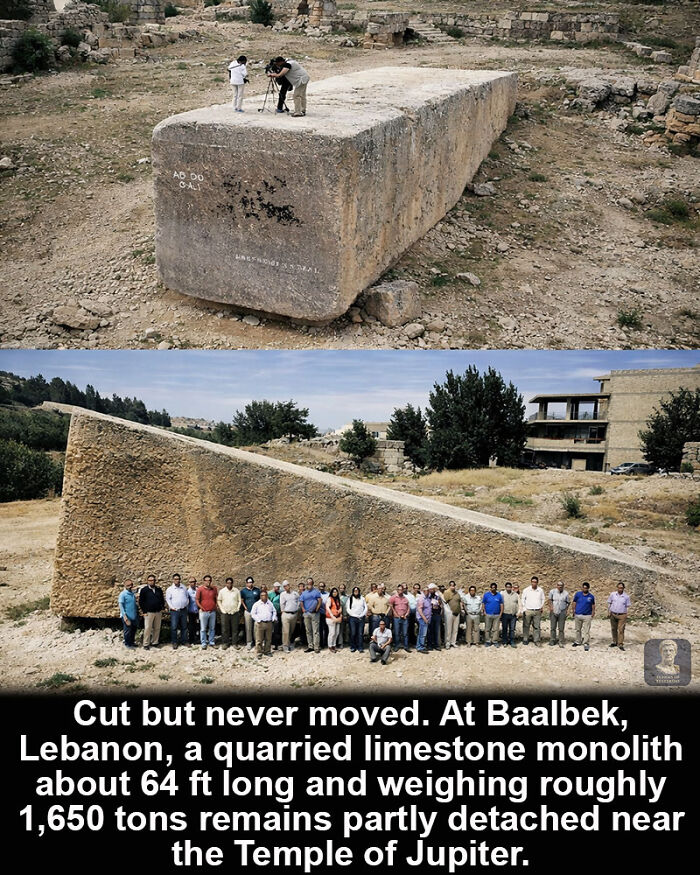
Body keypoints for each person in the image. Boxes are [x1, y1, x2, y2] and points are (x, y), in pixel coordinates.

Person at [139, 574, 164, 650]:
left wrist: (162, 607)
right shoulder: (144, 590)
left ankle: (155, 642)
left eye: (153, 580)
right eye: (150, 580)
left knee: (157, 628)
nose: (151, 582)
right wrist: (144, 611)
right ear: (147, 581)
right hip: (148, 612)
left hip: (158, 612)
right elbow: (141, 601)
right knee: (147, 628)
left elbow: (162, 599)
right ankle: (146, 643)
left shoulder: (159, 589)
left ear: (155, 581)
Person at [165, 573, 189, 649]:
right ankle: (174, 642)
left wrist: (186, 605)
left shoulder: (184, 588)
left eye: (178, 579)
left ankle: (184, 641)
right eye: (175, 579)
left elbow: (187, 597)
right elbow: (168, 600)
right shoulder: (170, 589)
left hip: (183, 610)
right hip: (174, 611)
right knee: (174, 627)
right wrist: (172, 607)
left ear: (180, 580)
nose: (177, 580)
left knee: (184, 627)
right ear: (173, 580)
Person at [251, 589, 276, 658]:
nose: (263, 597)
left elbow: (274, 611)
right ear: (260, 596)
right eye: (262, 595)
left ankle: (267, 651)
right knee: (259, 639)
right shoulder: (257, 604)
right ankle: (259, 652)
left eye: (265, 595)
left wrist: (273, 618)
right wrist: (258, 620)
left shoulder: (270, 603)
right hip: (260, 623)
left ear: (267, 596)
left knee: (268, 639)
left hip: (269, 623)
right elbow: (253, 613)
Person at [300, 577, 323, 653]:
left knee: (316, 631)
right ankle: (310, 646)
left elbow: (319, 601)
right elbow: (301, 601)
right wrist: (303, 609)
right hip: (307, 614)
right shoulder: (304, 593)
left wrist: (316, 609)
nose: (309, 584)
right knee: (308, 631)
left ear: (312, 584)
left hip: (315, 614)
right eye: (308, 583)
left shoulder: (316, 592)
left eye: (310, 583)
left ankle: (316, 647)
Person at [521, 575, 545, 646]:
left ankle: (536, 640)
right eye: (532, 582)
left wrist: (541, 606)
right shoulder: (526, 590)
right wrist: (524, 608)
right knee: (526, 625)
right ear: (531, 582)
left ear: (537, 583)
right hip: (528, 610)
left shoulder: (540, 590)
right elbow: (523, 599)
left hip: (537, 610)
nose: (534, 583)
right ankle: (525, 639)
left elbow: (543, 599)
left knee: (537, 626)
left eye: (535, 582)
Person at [218, 577, 241, 650]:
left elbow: (239, 600)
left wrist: (237, 608)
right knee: (225, 629)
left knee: (235, 629)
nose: (229, 584)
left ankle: (234, 643)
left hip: (234, 612)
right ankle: (225, 643)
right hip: (225, 612)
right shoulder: (222, 591)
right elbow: (219, 600)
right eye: (228, 583)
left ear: (232, 583)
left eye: (230, 583)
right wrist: (222, 610)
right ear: (226, 583)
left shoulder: (236, 591)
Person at [196, 575, 218, 650]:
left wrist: (215, 606)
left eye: (209, 580)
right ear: (204, 581)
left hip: (212, 612)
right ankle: (204, 643)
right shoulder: (200, 589)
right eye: (206, 580)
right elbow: (197, 600)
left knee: (212, 628)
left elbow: (216, 598)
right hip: (203, 612)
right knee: (203, 629)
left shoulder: (214, 589)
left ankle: (211, 642)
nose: (208, 582)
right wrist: (201, 607)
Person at [572, 581, 595, 651]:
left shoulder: (591, 596)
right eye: (583, 588)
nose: (584, 589)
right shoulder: (578, 594)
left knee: (586, 630)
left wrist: (593, 613)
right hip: (578, 614)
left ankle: (586, 643)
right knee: (577, 629)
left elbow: (593, 605)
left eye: (586, 588)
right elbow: (574, 602)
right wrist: (573, 610)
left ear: (588, 588)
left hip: (587, 615)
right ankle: (578, 641)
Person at [607, 582, 631, 651]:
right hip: (613, 614)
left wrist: (626, 615)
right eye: (619, 587)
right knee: (613, 628)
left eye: (621, 588)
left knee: (621, 629)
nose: (620, 589)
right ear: (617, 587)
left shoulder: (626, 597)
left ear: (623, 588)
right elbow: (609, 603)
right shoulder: (613, 594)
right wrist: (608, 612)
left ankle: (620, 643)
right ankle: (614, 641)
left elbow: (627, 606)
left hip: (622, 615)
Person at [548, 580, 571, 649]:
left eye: (561, 586)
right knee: (553, 627)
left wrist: (566, 610)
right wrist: (551, 608)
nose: (560, 587)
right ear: (556, 586)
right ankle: (552, 640)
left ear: (563, 586)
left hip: (562, 612)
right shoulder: (552, 592)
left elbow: (568, 602)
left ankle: (561, 641)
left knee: (561, 628)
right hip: (553, 611)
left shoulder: (566, 593)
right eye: (559, 585)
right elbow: (549, 600)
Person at [389, 583, 411, 652]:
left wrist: (406, 614)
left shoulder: (405, 598)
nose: (400, 591)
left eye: (401, 590)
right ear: (397, 590)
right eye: (398, 590)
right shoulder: (394, 597)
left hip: (404, 618)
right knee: (397, 632)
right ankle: (397, 646)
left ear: (403, 590)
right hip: (396, 618)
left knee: (405, 633)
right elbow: (390, 605)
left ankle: (406, 646)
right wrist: (395, 613)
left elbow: (408, 607)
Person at [240, 577, 261, 651]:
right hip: (248, 611)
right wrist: (245, 607)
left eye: (251, 582)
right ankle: (249, 642)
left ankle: (257, 642)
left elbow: (260, 600)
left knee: (256, 628)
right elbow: (242, 600)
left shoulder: (257, 590)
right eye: (249, 582)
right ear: (246, 583)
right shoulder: (243, 591)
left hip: (256, 612)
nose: (250, 583)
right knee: (248, 628)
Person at [481, 582, 504, 647]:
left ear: (496, 588)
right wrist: (484, 611)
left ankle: (495, 641)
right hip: (488, 614)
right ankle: (487, 641)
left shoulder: (499, 595)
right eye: (492, 587)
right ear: (490, 588)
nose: (493, 589)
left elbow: (501, 604)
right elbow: (483, 603)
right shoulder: (486, 595)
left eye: (495, 588)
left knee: (496, 629)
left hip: (497, 615)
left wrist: (501, 613)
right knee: (487, 629)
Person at [118, 579, 138, 648]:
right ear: (125, 586)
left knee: (133, 630)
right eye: (128, 585)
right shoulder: (123, 594)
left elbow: (141, 587)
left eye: (131, 584)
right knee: (127, 631)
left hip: (134, 615)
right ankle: (127, 644)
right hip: (127, 616)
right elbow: (121, 606)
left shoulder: (132, 593)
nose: (130, 586)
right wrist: (125, 617)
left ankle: (132, 642)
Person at [280, 580, 299, 652]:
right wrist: (283, 612)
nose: (285, 587)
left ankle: (290, 643)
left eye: (286, 586)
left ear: (289, 585)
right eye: (284, 586)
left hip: (294, 614)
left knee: (291, 631)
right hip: (286, 614)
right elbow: (282, 604)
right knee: (286, 631)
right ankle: (285, 646)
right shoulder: (283, 594)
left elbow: (298, 602)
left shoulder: (295, 594)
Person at [346, 586, 367, 653]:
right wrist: (354, 615)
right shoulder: (350, 599)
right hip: (353, 618)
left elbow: (365, 608)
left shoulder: (362, 599)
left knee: (360, 633)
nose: (356, 592)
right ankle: (353, 646)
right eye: (355, 591)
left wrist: (361, 615)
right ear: (353, 592)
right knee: (353, 632)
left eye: (357, 591)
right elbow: (348, 609)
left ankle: (360, 647)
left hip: (361, 618)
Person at [442, 581, 461, 650]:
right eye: (451, 585)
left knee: (455, 628)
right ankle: (447, 642)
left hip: (457, 613)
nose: (452, 587)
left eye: (454, 585)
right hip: (449, 613)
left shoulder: (457, 593)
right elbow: (445, 602)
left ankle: (453, 642)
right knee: (448, 628)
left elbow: (459, 601)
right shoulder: (447, 593)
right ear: (449, 586)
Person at [500, 582, 520, 648]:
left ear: (511, 588)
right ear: (505, 587)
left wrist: (518, 612)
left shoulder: (516, 595)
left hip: (513, 615)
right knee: (504, 628)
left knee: (512, 629)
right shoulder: (502, 594)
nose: (508, 588)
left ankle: (512, 641)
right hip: (505, 614)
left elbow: (519, 604)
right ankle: (504, 641)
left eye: (509, 587)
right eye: (507, 587)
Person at [325, 587, 343, 653]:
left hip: (337, 617)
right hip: (330, 618)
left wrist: (340, 613)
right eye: (333, 592)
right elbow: (328, 608)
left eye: (336, 592)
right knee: (332, 633)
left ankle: (334, 645)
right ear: (331, 593)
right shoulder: (330, 599)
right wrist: (332, 616)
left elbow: (339, 607)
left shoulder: (337, 600)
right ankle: (330, 646)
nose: (335, 593)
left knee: (337, 632)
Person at [416, 585, 432, 654]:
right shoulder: (421, 598)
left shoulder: (428, 598)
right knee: (422, 633)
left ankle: (419, 646)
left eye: (428, 591)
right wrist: (424, 618)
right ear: (423, 591)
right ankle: (420, 647)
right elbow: (419, 609)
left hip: (427, 618)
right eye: (425, 591)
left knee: (422, 633)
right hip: (423, 618)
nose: (427, 592)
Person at [427, 584, 443, 651]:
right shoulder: (427, 597)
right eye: (430, 589)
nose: (432, 590)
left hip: (436, 615)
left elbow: (441, 605)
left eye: (433, 589)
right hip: (430, 615)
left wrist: (439, 606)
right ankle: (430, 645)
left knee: (437, 630)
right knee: (430, 630)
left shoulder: (438, 597)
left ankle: (436, 645)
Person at [186, 577, 199, 645]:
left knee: (198, 625)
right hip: (191, 611)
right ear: (189, 583)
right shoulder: (188, 591)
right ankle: (191, 640)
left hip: (198, 610)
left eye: (193, 581)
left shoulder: (198, 590)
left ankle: (198, 639)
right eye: (191, 582)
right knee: (191, 626)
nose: (192, 583)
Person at [270, 581, 282, 649]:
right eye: (276, 587)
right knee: (272, 629)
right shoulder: (270, 594)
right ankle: (272, 642)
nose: (277, 588)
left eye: (278, 587)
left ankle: (278, 643)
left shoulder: (281, 594)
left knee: (278, 629)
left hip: (279, 613)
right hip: (272, 614)